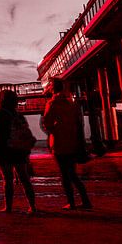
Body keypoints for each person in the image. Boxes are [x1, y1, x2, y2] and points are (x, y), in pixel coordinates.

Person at [43, 78, 92, 210]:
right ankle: (85, 200)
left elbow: (46, 123)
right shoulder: (72, 103)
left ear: (52, 88)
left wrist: (53, 130)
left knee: (65, 175)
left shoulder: (52, 103)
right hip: (73, 142)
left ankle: (71, 202)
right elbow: (79, 123)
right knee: (73, 174)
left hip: (59, 143)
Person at [0, 90, 37, 214]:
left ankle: (8, 207)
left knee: (8, 179)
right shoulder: (18, 115)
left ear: (1, 101)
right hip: (19, 150)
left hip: (5, 150)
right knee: (24, 178)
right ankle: (32, 206)